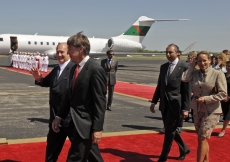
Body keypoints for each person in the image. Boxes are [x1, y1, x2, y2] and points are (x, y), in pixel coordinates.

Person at [52, 32, 107, 162]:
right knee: (91, 157)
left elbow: (100, 101)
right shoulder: (74, 68)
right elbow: (69, 97)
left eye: (70, 49)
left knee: (75, 158)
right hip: (74, 123)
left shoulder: (95, 69)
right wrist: (59, 116)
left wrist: (97, 128)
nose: (68, 52)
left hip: (86, 124)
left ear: (80, 49)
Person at [181, 51, 227, 162]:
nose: (202, 63)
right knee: (202, 138)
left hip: (212, 110)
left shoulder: (217, 74)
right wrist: (192, 65)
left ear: (210, 60)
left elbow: (223, 94)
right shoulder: (195, 73)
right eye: (200, 61)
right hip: (197, 109)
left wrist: (206, 99)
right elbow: (184, 78)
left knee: (202, 137)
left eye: (205, 60)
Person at [150, 44, 190, 162]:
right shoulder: (163, 67)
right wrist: (153, 101)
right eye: (166, 52)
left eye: (170, 52)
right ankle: (184, 148)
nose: (167, 55)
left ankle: (163, 157)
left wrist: (185, 108)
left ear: (177, 53)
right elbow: (160, 86)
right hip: (164, 104)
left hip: (176, 105)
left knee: (168, 132)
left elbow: (187, 90)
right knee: (170, 130)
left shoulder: (184, 67)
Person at [218, 61, 230, 137]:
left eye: (229, 66)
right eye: (227, 66)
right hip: (223, 97)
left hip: (229, 98)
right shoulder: (224, 75)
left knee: (228, 114)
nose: (228, 68)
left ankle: (223, 130)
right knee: (225, 113)